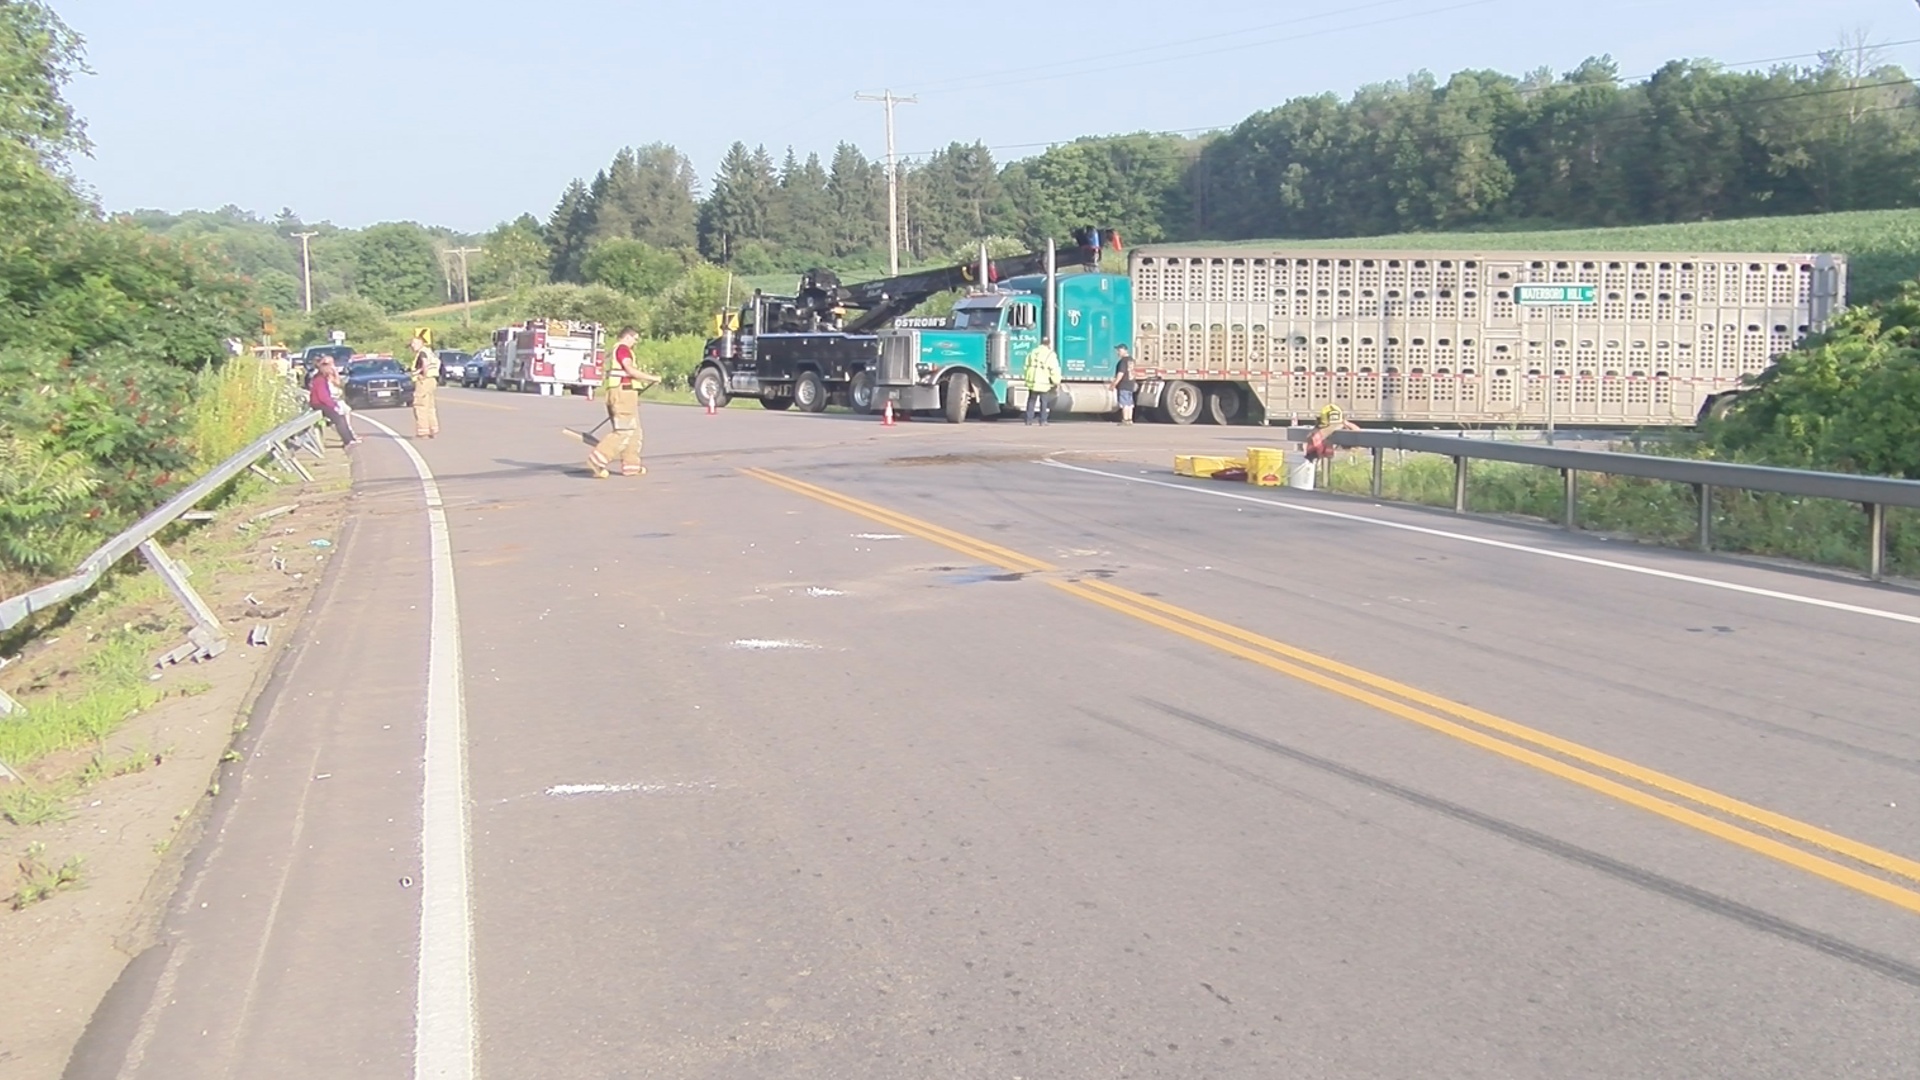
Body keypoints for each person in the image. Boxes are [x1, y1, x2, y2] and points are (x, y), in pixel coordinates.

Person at [588, 327, 660, 479]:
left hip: (625, 393)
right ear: (627, 337)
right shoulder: (623, 350)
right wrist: (652, 378)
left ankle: (631, 466)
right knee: (624, 431)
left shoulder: (615, 351)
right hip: (622, 393)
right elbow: (630, 370)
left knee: (634, 432)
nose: (636, 342)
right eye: (635, 339)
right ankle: (597, 461)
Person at [308, 357, 359, 449]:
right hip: (319, 404)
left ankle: (350, 438)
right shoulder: (319, 379)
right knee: (338, 419)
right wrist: (333, 405)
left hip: (321, 403)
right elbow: (323, 396)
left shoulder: (321, 378)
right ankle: (348, 440)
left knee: (341, 417)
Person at [1023, 337, 1062, 426]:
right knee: (1043, 402)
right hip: (1044, 383)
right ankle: (1043, 420)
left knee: (1031, 401)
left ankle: (1028, 420)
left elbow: (1026, 366)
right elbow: (1054, 369)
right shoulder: (1050, 355)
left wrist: (1027, 378)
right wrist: (1056, 381)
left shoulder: (1033, 352)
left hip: (1033, 382)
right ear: (1049, 343)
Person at [408, 332, 439, 438]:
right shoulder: (430, 352)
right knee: (429, 406)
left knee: (420, 405)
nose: (412, 346)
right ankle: (432, 428)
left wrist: (422, 375)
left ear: (421, 343)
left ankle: (423, 431)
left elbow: (425, 364)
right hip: (432, 380)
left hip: (424, 381)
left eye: (414, 343)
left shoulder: (422, 353)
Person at [1110, 343, 1137, 424]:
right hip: (1130, 383)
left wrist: (1114, 384)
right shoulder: (1131, 360)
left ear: (1125, 350)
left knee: (1124, 403)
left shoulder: (1123, 361)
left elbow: (1120, 374)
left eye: (1119, 350)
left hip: (1124, 384)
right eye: (1117, 350)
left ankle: (1125, 419)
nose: (1118, 352)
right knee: (1130, 403)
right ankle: (1129, 419)